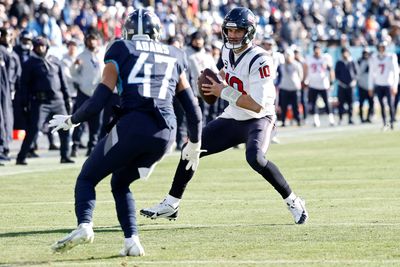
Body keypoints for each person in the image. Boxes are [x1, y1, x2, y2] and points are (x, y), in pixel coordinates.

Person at [50, 8, 202, 256]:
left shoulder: (121, 48)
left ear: (127, 31)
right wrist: (194, 145)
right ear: (156, 32)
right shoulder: (176, 54)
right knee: (120, 183)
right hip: (166, 134)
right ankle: (132, 241)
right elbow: (193, 110)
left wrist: (72, 120)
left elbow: (99, 100)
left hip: (134, 126)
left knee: (87, 178)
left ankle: (85, 225)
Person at [140, 7, 308, 225]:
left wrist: (222, 91)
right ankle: (171, 204)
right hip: (233, 116)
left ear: (249, 32)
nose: (232, 35)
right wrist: (212, 80)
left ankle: (293, 200)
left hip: (258, 119)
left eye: (238, 31)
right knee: (191, 148)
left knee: (255, 158)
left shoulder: (261, 59)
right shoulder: (227, 51)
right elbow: (226, 73)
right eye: (229, 30)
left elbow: (257, 105)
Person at [15, 36, 73, 165]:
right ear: (34, 48)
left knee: (65, 128)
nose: (40, 48)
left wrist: (67, 98)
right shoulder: (29, 63)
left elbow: (63, 82)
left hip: (58, 100)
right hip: (40, 102)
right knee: (34, 129)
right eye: (37, 46)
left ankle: (65, 155)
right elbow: (24, 85)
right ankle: (21, 157)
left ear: (47, 47)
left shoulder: (55, 61)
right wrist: (24, 103)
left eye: (43, 45)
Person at [70, 32, 103, 157]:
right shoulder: (81, 56)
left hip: (98, 92)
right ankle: (75, 146)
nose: (92, 42)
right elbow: (73, 73)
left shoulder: (102, 55)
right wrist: (80, 83)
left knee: (97, 122)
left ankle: (92, 146)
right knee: (80, 119)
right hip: (84, 93)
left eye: (94, 39)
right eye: (90, 40)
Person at [368, 41, 399, 130]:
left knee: (390, 104)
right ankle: (385, 122)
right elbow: (371, 73)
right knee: (381, 105)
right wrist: (370, 86)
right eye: (380, 47)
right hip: (379, 84)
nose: (381, 49)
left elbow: (396, 72)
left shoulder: (391, 57)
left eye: (383, 47)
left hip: (388, 84)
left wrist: (394, 85)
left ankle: (392, 122)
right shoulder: (374, 58)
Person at [304, 43, 335, 127]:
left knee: (327, 103)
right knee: (313, 103)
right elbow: (305, 69)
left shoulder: (326, 58)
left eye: (318, 49)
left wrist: (331, 81)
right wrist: (305, 80)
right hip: (313, 84)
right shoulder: (309, 58)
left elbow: (331, 69)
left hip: (324, 84)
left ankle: (331, 119)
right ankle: (316, 120)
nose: (317, 51)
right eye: (315, 49)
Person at [277, 49, 303, 126]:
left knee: (296, 106)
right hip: (284, 88)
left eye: (289, 56)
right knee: (283, 106)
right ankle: (283, 121)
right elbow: (279, 76)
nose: (287, 57)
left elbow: (300, 76)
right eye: (286, 56)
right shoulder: (281, 65)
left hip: (294, 88)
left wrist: (297, 83)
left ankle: (298, 120)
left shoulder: (297, 64)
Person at [334, 47, 357, 125]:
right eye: (343, 52)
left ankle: (350, 118)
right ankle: (340, 118)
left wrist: (353, 82)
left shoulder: (352, 61)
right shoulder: (339, 62)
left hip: (350, 86)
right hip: (342, 86)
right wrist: (340, 82)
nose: (345, 54)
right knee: (341, 103)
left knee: (350, 103)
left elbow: (356, 73)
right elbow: (336, 74)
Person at [356, 47, 374, 123]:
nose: (366, 55)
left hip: (370, 86)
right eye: (365, 53)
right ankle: (361, 117)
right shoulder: (360, 61)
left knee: (371, 102)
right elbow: (359, 73)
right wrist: (365, 63)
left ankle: (369, 116)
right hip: (362, 85)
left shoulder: (372, 61)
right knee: (361, 103)